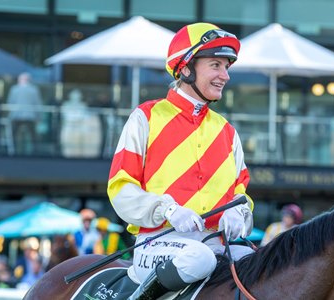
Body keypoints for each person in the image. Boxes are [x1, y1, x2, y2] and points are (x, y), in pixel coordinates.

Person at [107, 22, 254, 299]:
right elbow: (120, 188)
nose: (225, 75)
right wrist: (168, 211)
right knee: (199, 258)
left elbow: (241, 192)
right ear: (186, 68)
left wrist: (239, 213)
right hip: (156, 242)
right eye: (215, 65)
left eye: (226, 67)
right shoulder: (146, 117)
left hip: (217, 244)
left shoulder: (227, 131)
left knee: (264, 262)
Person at [6, 72, 43, 155]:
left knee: (14, 135)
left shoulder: (14, 89)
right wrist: (39, 117)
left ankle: (14, 151)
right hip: (30, 116)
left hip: (16, 116)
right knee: (33, 135)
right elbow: (37, 104)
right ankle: (35, 152)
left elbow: (10, 102)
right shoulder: (33, 90)